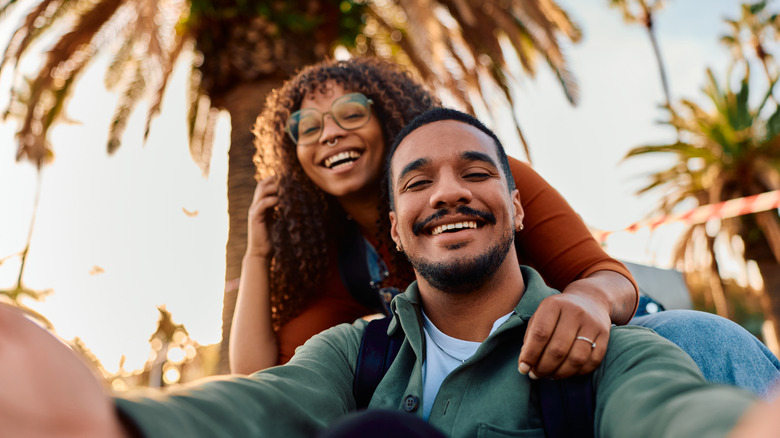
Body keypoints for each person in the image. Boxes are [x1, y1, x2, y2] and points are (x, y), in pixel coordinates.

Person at [0, 108, 769, 437]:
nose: (448, 192)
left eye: (474, 172)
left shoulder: (606, 353)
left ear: (518, 205)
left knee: (702, 333)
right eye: (418, 184)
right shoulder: (352, 349)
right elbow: (261, 405)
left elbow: (669, 412)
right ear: (395, 230)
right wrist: (111, 423)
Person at [231, 57, 780, 394]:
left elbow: (603, 273)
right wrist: (258, 252)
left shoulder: (485, 181)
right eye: (307, 126)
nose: (329, 132)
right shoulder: (331, 256)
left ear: (388, 115)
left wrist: (587, 302)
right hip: (474, 388)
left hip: (582, 356)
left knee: (697, 338)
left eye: (350, 112)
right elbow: (261, 377)